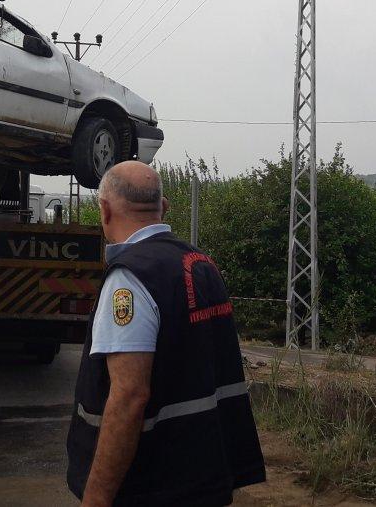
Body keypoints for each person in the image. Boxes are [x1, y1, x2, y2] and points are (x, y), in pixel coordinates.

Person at [66, 161, 265, 506]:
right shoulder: (201, 264)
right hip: (203, 476)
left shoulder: (129, 279)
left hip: (152, 485)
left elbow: (129, 398)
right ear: (165, 208)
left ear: (105, 209)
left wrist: (95, 500)